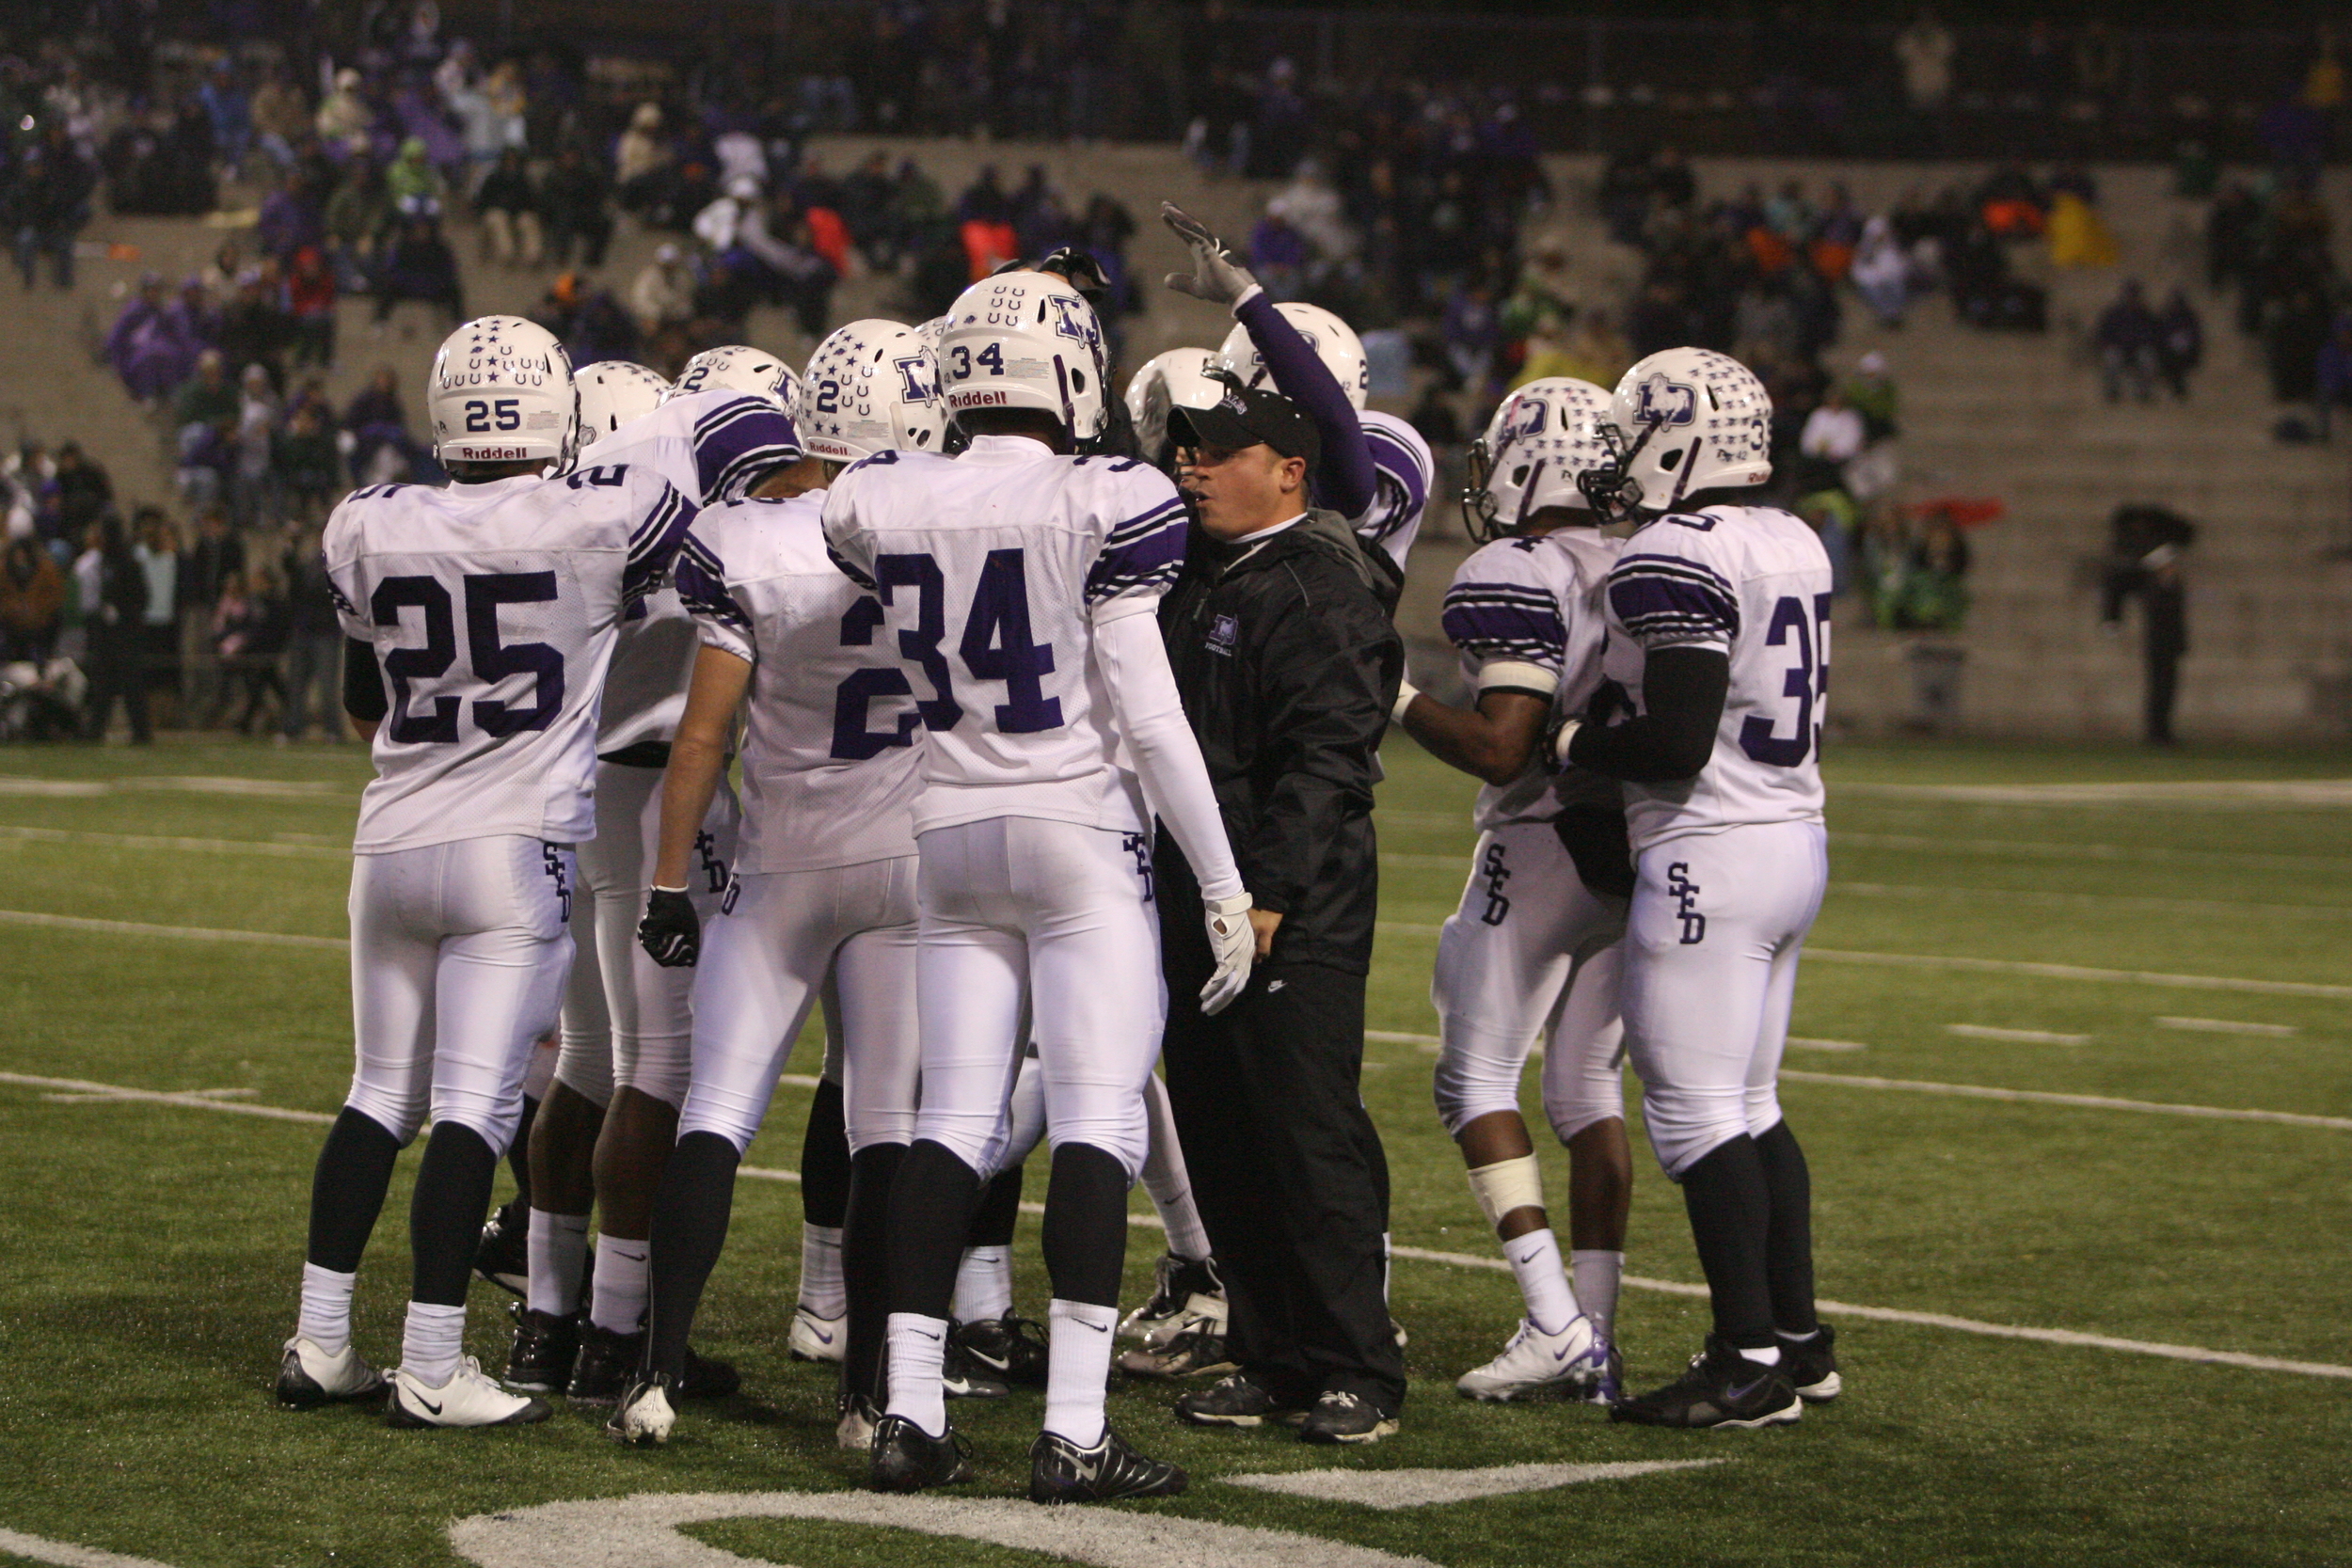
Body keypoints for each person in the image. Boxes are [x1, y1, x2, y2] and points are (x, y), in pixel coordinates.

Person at [826, 270, 1254, 1503]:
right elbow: (1153, 715)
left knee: (949, 1122)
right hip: (1077, 831)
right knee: (1097, 1116)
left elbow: (882, 543)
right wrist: (1220, 876)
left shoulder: (888, 494)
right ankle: (1073, 1429)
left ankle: (907, 1410)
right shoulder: (1107, 496)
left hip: (951, 828)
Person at [275, 315, 698, 1429]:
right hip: (513, 848)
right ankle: (429, 1360)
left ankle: (319, 1339)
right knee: (468, 1107)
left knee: (378, 1094)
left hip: (391, 841)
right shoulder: (598, 516)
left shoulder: (371, 522)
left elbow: (365, 703)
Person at [608, 319, 948, 1450]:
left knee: (716, 1108)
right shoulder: (944, 524)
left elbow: (701, 741)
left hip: (782, 861)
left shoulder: (745, 538)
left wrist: (666, 885)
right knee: (882, 1132)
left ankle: (653, 1377)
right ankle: (863, 1397)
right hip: (906, 861)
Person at [487, 352, 804, 1408]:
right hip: (641, 773)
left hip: (557, 777)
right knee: (658, 1066)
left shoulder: (597, 465)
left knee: (584, 1057)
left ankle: (547, 1320)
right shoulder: (722, 433)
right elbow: (787, 498)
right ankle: (617, 1337)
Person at [1558, 346, 1836, 1429]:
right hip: (1790, 837)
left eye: (1632, 437)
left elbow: (1673, 739)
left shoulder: (1673, 553)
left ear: (1678, 438)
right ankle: (1799, 1342)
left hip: (1706, 846)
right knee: (1753, 1101)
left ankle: (1745, 1359)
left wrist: (1575, 736)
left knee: (1689, 1112)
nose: (1620, 461)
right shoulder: (1793, 536)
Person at [1152, 375, 1406, 1446]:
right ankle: (1269, 1350)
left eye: (1217, 452)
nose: (1191, 467)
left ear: (1290, 470)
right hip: (1201, 891)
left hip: (1284, 904)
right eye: (1187, 451)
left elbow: (1327, 763)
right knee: (1223, 1134)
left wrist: (1266, 897)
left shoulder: (1320, 585)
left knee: (1305, 1135)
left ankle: (1357, 1365)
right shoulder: (1210, 573)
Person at [1391, 379, 1629, 1404]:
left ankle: (1551, 1318)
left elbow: (1500, 748)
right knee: (1584, 1090)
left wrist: (1392, 697)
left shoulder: (1514, 565)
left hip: (1540, 841)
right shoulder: (1647, 556)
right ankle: (1595, 1328)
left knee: (1471, 1079)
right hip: (1640, 847)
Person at [1167, 206, 1434, 575]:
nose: (1225, 402)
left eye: (1234, 386)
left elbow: (1339, 448)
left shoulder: (1379, 447)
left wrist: (1251, 306)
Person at [2102, 504, 2194, 747]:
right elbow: (2116, 585)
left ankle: (2161, 731)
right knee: (2160, 686)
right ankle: (2157, 732)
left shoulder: (2170, 585)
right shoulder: (2153, 587)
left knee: (2167, 686)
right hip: (2158, 641)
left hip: (2170, 641)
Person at [78, 517, 151, 744]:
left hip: (126, 634)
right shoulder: (105, 561)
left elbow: (141, 597)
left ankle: (141, 732)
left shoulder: (127, 561)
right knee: (103, 685)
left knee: (131, 685)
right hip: (107, 633)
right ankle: (95, 730)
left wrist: (122, 613)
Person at [2095, 280, 2160, 404]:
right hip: (2119, 349)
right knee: (2111, 358)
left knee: (2147, 359)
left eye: (2134, 295)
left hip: (2138, 350)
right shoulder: (2113, 314)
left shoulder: (2145, 314)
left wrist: (2145, 343)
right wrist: (2109, 344)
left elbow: (2154, 334)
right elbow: (2103, 333)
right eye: (2129, 294)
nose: (2131, 298)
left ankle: (2144, 393)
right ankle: (2112, 392)